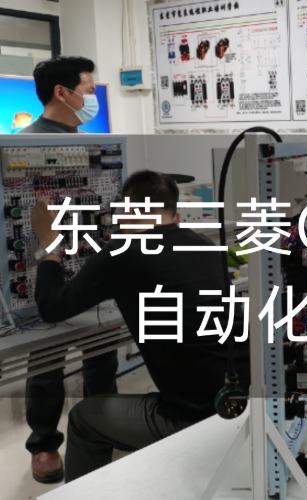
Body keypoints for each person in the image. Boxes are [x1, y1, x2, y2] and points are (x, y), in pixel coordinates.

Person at [31, 170, 251, 482]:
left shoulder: (123, 253)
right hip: (243, 401)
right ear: (174, 214)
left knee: (83, 418)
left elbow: (52, 307)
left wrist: (48, 244)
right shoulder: (202, 243)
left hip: (197, 419)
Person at [19, 55, 112, 483]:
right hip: (44, 268)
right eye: (89, 89)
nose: (93, 97)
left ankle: (102, 428)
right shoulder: (20, 146)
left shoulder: (94, 145)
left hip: (91, 267)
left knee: (102, 356)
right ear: (63, 92)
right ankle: (43, 444)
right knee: (46, 361)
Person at [21, 56, 100, 134]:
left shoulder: (90, 140)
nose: (94, 98)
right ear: (60, 93)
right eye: (90, 91)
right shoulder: (24, 141)